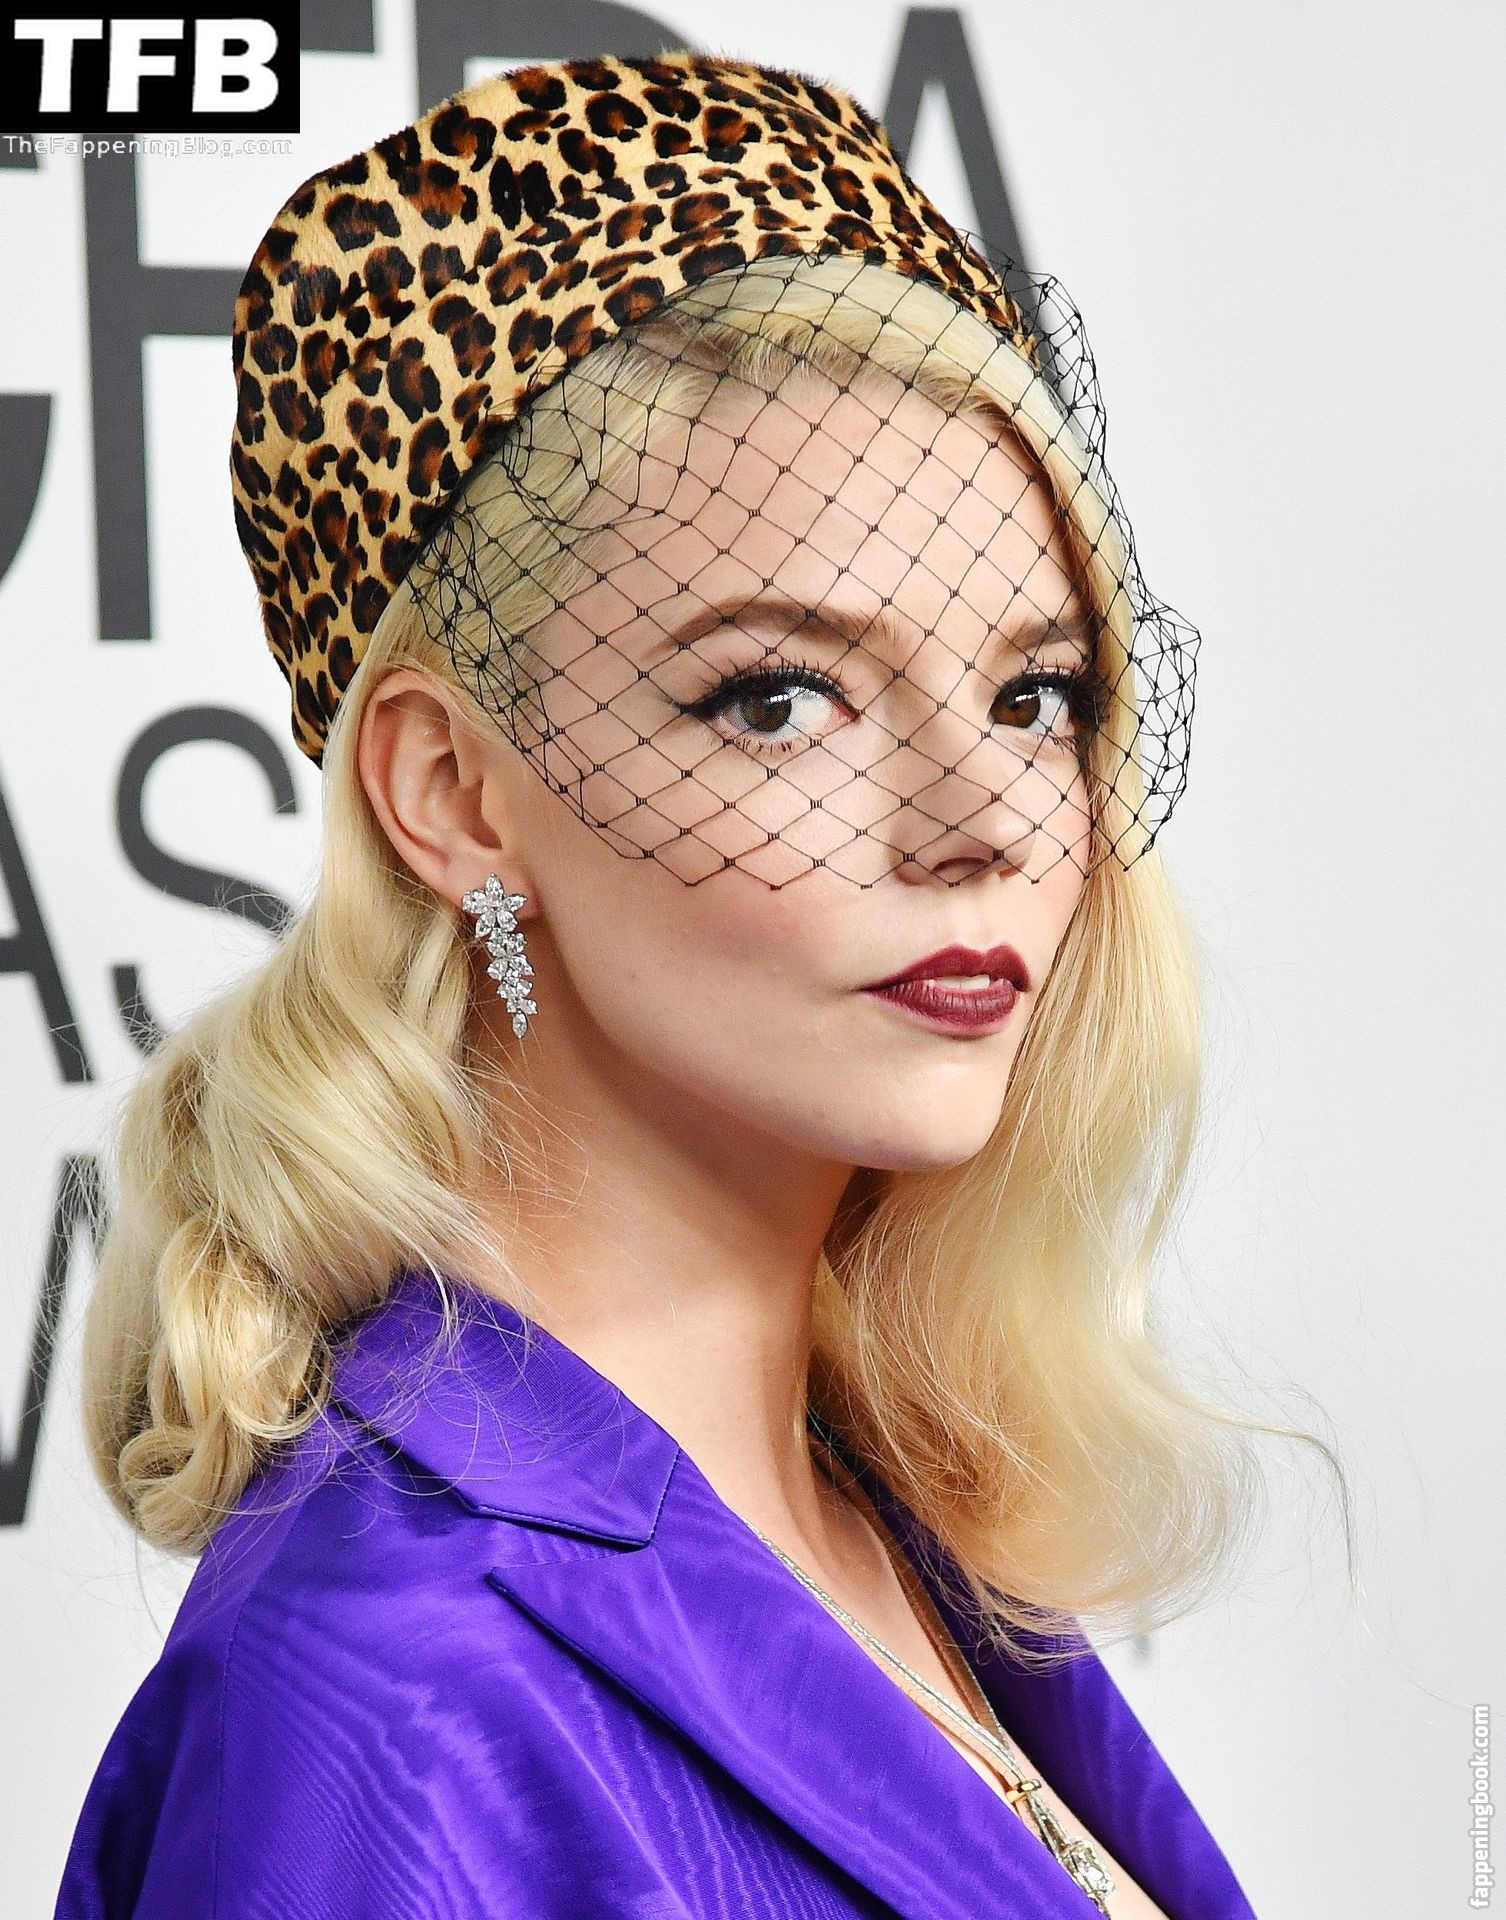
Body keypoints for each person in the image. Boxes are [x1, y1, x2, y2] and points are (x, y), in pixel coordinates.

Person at [53, 50, 1342, 1919]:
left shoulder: (886, 1522)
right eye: (780, 697)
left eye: (1032, 694)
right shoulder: (390, 1694)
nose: (982, 820)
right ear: (452, 793)